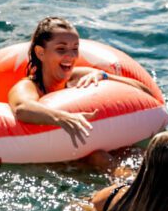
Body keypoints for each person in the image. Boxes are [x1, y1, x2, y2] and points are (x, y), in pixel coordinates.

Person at [8, 17, 152, 147]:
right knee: (98, 158)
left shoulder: (79, 77)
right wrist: (63, 117)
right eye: (61, 49)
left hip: (89, 143)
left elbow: (146, 94)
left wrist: (105, 76)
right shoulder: (28, 86)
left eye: (75, 49)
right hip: (49, 151)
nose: (70, 56)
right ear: (40, 52)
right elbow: (22, 108)